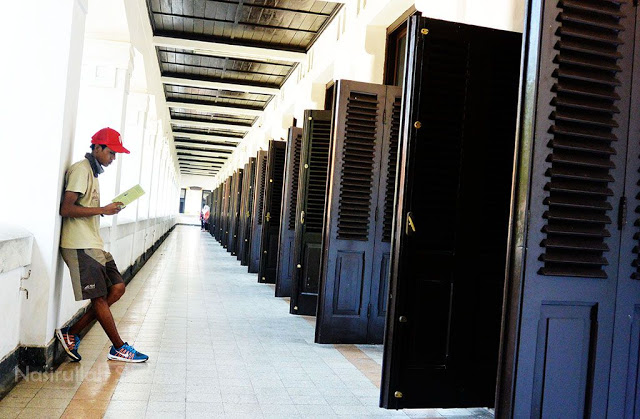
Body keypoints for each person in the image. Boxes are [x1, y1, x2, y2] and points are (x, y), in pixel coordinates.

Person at [56, 127, 148, 363]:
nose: (114, 158)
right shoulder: (80, 170)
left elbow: (84, 208)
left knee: (117, 288)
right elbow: (66, 209)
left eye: (116, 154)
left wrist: (107, 209)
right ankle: (119, 347)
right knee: (98, 297)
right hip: (79, 245)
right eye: (111, 152)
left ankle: (71, 333)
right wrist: (103, 210)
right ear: (97, 147)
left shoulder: (93, 173)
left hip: (93, 243)